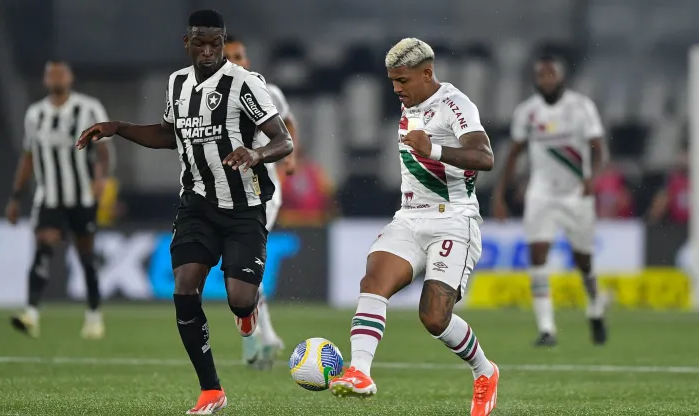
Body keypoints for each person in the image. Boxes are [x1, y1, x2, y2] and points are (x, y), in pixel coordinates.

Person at [76, 10, 293, 414]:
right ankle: (211, 390)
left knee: (240, 299)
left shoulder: (246, 84)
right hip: (196, 204)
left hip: (244, 208)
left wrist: (257, 153)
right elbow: (166, 135)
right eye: (200, 43)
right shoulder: (177, 83)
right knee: (184, 287)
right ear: (187, 42)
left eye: (215, 43)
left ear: (224, 42)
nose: (208, 51)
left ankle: (247, 314)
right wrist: (118, 127)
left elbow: (284, 140)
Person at [329, 38, 499, 416]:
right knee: (374, 280)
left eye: (402, 80)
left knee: (434, 317)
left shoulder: (455, 104)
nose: (396, 89)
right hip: (409, 216)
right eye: (392, 81)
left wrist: (433, 150)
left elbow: (485, 157)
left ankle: (484, 371)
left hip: (454, 219)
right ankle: (359, 372)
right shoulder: (410, 104)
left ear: (427, 73)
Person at [492, 56, 608, 347]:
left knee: (584, 262)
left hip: (575, 194)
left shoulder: (581, 107)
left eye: (550, 74)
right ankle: (547, 329)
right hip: (541, 193)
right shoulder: (527, 112)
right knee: (538, 255)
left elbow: (599, 149)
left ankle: (595, 308)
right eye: (540, 75)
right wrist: (500, 195)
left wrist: (591, 178)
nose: (545, 80)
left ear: (561, 77)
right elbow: (514, 154)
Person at [6, 60, 110, 340]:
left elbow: (103, 151)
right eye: (50, 74)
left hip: (81, 196)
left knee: (86, 256)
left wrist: (101, 178)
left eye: (60, 73)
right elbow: (28, 156)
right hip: (48, 197)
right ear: (44, 80)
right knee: (43, 246)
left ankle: (94, 315)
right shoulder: (35, 114)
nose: (55, 78)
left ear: (70, 77)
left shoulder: (88, 108)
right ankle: (31, 314)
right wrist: (16, 197)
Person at [223, 35, 299, 369]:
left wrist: (290, 160)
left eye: (239, 55)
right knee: (237, 264)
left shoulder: (267, 91)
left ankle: (258, 335)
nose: (235, 61)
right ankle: (263, 333)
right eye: (229, 57)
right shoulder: (210, 96)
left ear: (247, 59)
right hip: (222, 194)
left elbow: (288, 121)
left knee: (245, 261)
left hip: (262, 192)